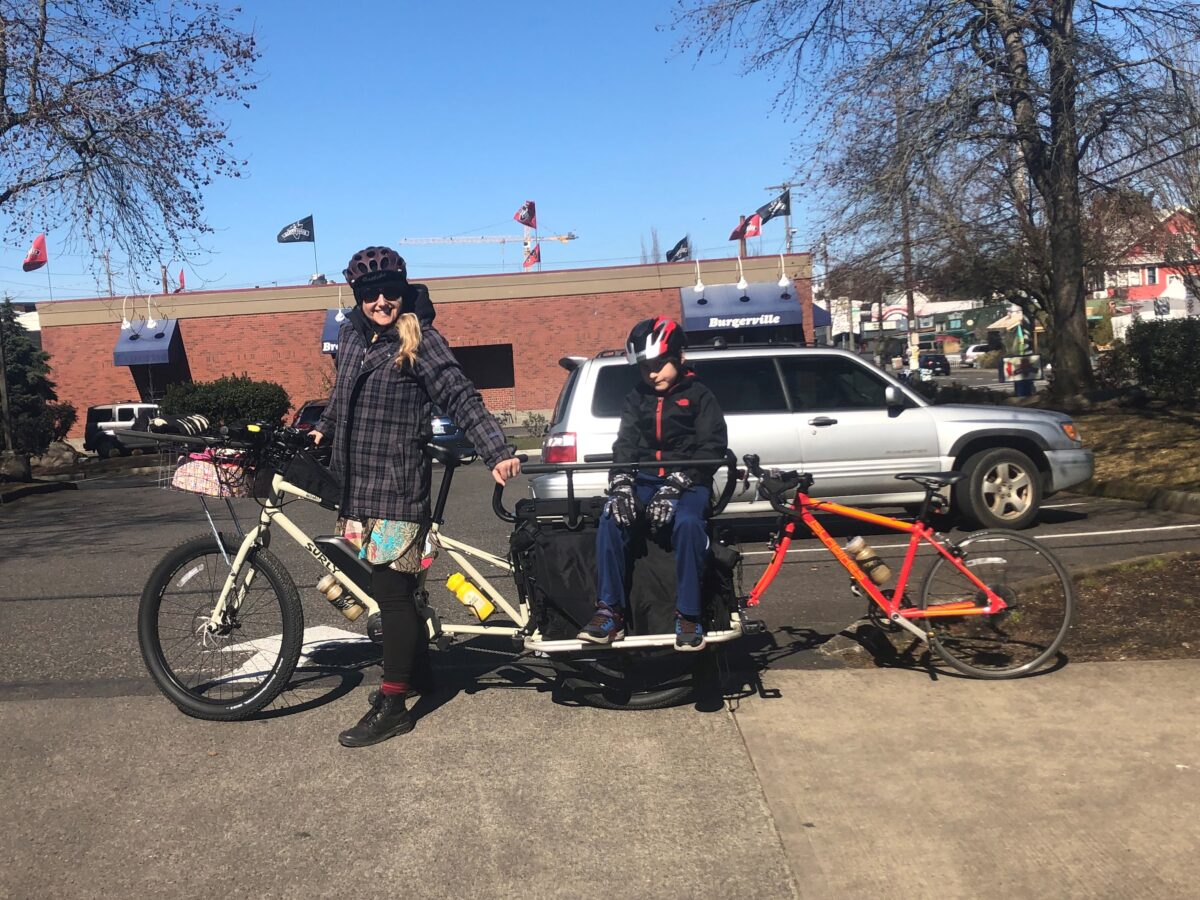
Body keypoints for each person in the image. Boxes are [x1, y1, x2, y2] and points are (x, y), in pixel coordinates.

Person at [311, 246, 520, 748]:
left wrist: (496, 450)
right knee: (397, 592)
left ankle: (394, 703)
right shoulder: (352, 337)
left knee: (394, 597)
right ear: (358, 296)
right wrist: (322, 430)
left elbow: (459, 394)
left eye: (389, 291)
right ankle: (419, 673)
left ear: (403, 290)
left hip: (399, 486)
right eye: (369, 292)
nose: (381, 300)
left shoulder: (419, 338)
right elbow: (341, 401)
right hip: (359, 490)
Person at [577, 316, 728, 651]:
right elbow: (625, 443)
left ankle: (688, 615)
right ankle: (609, 612)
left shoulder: (700, 396)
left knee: (689, 524)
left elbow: (713, 446)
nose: (653, 373)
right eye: (646, 367)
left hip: (688, 482)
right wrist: (621, 484)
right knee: (610, 517)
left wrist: (677, 484)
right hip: (644, 479)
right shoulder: (636, 397)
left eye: (661, 365)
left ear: (680, 358)